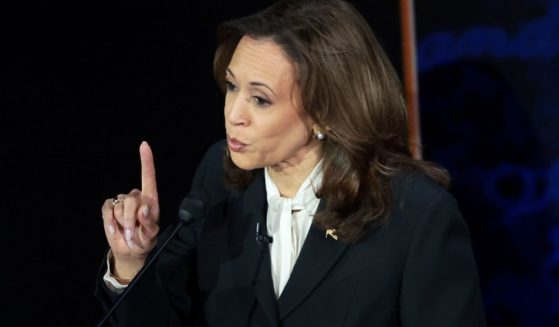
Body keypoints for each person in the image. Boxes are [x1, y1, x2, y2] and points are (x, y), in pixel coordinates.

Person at [96, 0, 487, 326]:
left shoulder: (416, 215)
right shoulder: (219, 176)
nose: (234, 113)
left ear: (326, 113)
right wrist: (131, 261)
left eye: (260, 99)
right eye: (232, 86)